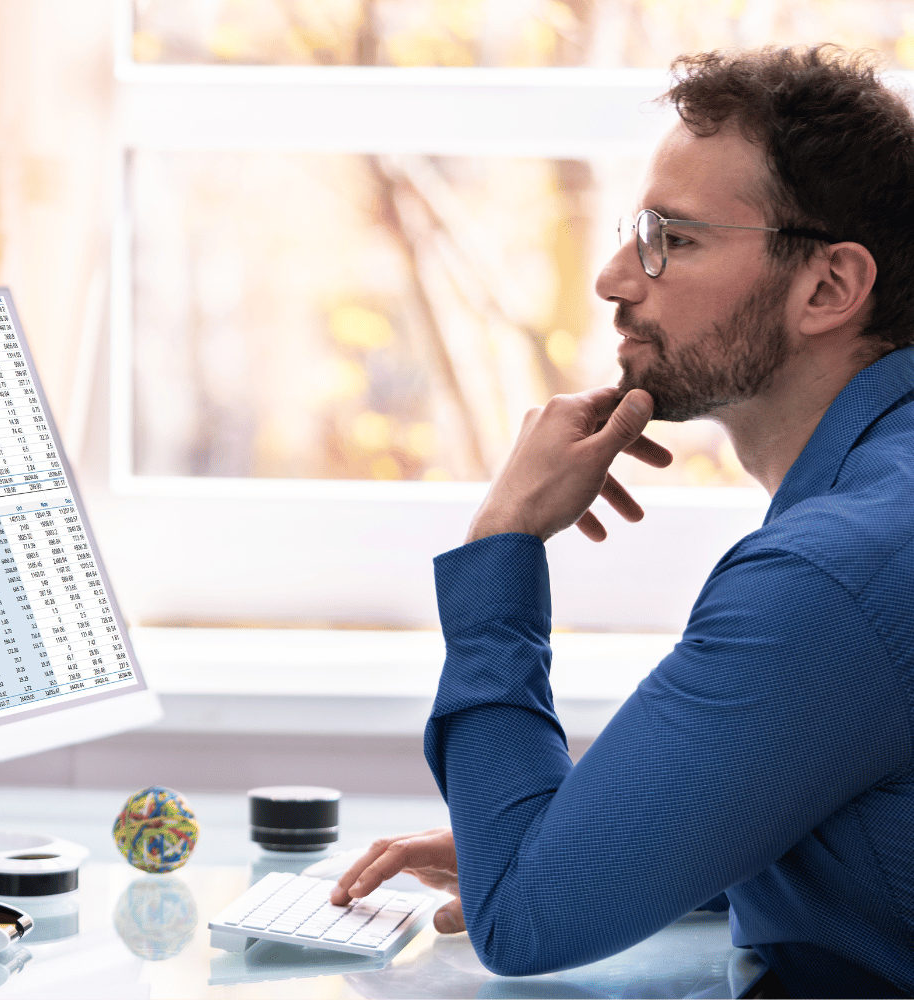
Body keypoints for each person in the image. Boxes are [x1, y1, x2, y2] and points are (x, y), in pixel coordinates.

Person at [329, 46, 914, 998]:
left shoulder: (831, 577)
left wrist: (503, 541)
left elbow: (520, 921)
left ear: (828, 289)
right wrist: (604, 846)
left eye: (673, 241)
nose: (613, 279)